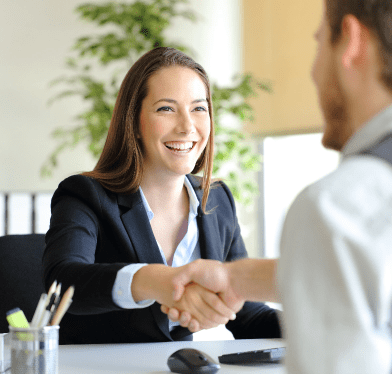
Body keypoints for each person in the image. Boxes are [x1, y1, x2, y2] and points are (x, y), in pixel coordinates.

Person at [163, 0, 392, 372]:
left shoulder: (334, 208)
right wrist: (235, 278)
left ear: (351, 42)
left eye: (320, 44)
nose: (313, 71)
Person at [42, 46, 281, 344]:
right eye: (166, 108)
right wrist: (157, 282)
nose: (187, 126)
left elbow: (250, 315)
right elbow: (63, 282)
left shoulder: (216, 199)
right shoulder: (85, 195)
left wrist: (321, 322)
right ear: (135, 122)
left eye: (199, 108)